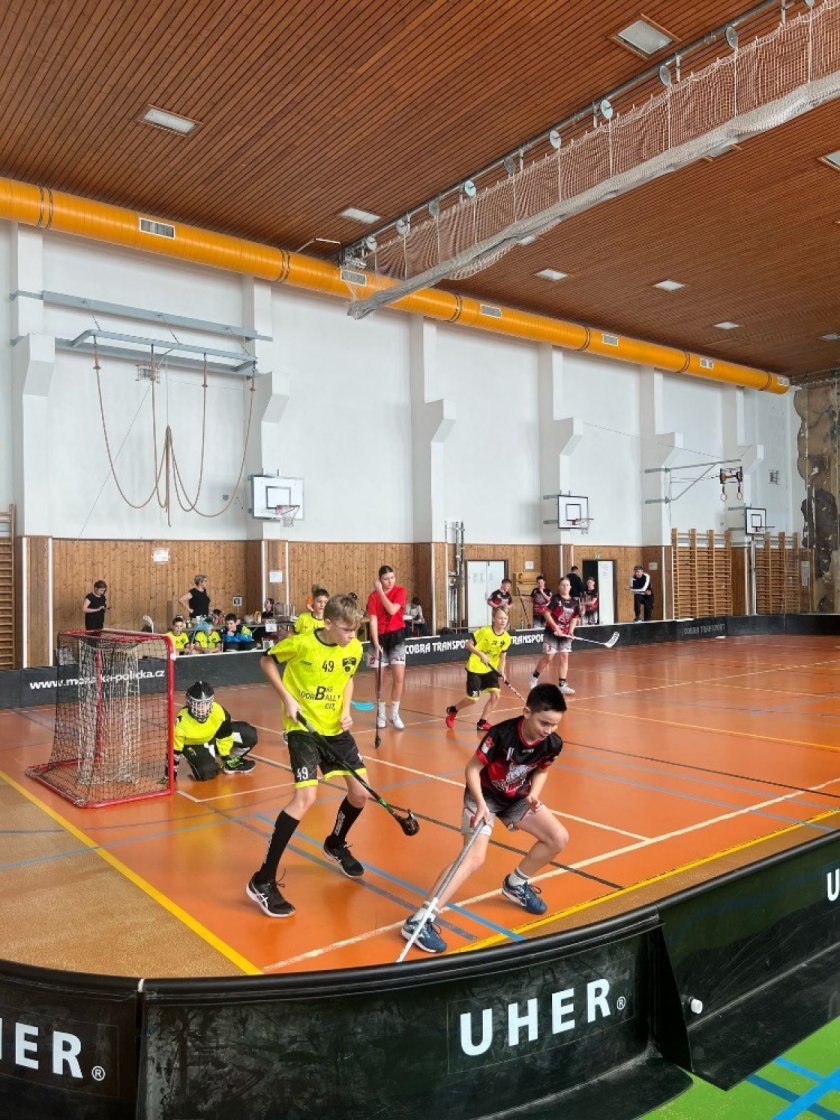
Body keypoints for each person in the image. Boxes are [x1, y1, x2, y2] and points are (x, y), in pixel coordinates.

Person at [402, 683, 569, 954]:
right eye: (544, 723)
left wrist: (534, 795)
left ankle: (516, 884)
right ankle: (419, 921)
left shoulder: (552, 743)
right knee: (474, 858)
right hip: (483, 796)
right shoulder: (500, 734)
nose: (549, 730)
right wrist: (481, 805)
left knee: (558, 838)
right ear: (527, 712)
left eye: (554, 725)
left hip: (516, 798)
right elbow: (472, 769)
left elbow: (541, 770)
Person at [247, 594, 367, 918]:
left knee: (360, 794)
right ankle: (262, 880)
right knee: (306, 797)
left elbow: (348, 679)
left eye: (356, 630)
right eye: (346, 630)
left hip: (335, 728)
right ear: (327, 623)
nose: (351, 637)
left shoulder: (354, 648)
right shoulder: (301, 644)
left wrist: (345, 710)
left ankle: (335, 843)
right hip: (302, 728)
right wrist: (287, 698)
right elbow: (266, 661)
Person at [171, 681, 257, 780]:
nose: (203, 709)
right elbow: (174, 750)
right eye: (198, 704)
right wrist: (170, 775)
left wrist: (226, 759)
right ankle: (197, 762)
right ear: (189, 703)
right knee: (207, 772)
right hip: (195, 746)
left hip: (213, 738)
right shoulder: (181, 722)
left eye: (206, 704)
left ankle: (230, 761)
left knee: (249, 735)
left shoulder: (219, 711)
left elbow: (224, 735)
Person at [445, 607, 511, 731]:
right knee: (473, 699)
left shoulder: (507, 638)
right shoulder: (484, 631)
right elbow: (468, 644)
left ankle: (482, 722)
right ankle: (453, 710)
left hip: (490, 669)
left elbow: (503, 657)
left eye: (505, 618)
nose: (503, 621)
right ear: (493, 618)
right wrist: (480, 654)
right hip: (475, 668)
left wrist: (501, 671)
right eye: (500, 618)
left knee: (496, 696)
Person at [367, 564, 408, 730]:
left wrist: (380, 592)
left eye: (392, 577)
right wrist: (376, 642)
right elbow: (373, 620)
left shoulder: (400, 591)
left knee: (399, 677)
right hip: (379, 639)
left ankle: (395, 714)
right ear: (380, 580)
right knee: (380, 679)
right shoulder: (372, 597)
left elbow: (391, 610)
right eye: (386, 579)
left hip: (396, 638)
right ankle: (381, 714)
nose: (390, 581)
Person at [530, 577, 580, 696]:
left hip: (565, 633)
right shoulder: (555, 599)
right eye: (563, 585)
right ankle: (534, 677)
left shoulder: (574, 602)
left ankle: (562, 685)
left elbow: (574, 618)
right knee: (549, 657)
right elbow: (546, 614)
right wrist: (556, 628)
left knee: (564, 656)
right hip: (551, 632)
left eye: (567, 585)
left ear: (570, 587)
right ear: (559, 587)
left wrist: (571, 631)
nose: (565, 587)